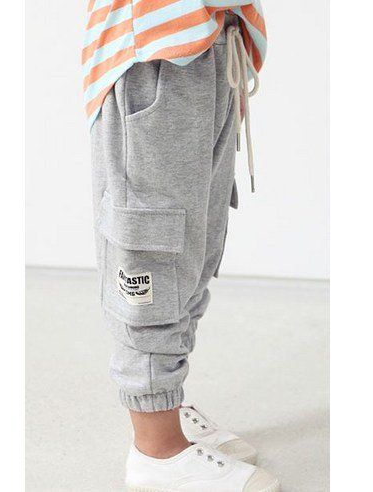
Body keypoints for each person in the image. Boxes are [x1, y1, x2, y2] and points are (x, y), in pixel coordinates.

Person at [83, 1, 279, 490]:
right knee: (152, 252)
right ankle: (157, 451)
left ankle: (168, 407)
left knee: (195, 247)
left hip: (211, 41)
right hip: (155, 52)